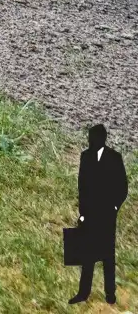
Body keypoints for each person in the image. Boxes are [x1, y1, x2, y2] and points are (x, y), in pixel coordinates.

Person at [75, 124, 128, 305]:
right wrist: (82, 213)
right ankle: (83, 293)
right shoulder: (85, 156)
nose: (90, 141)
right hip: (90, 213)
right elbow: (82, 187)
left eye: (93, 138)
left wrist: (114, 207)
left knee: (107, 255)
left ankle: (110, 294)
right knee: (87, 254)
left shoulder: (114, 158)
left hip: (106, 214)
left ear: (101, 139)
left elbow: (122, 187)